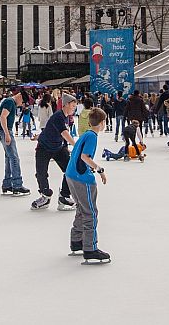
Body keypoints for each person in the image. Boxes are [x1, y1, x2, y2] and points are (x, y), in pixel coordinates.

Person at [64, 107, 110, 264]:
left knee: (81, 209)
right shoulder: (92, 137)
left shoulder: (86, 134)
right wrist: (99, 169)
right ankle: (90, 248)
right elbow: (84, 156)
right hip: (81, 178)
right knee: (90, 211)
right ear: (102, 123)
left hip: (71, 175)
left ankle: (77, 240)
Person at [31, 94, 77, 211]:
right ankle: (45, 196)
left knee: (70, 170)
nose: (74, 108)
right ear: (66, 104)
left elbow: (51, 130)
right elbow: (64, 133)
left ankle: (64, 197)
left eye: (75, 106)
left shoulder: (66, 117)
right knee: (41, 173)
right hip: (44, 148)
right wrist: (77, 146)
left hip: (58, 147)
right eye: (72, 105)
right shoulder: (58, 116)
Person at [0, 88, 29, 196]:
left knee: (9, 157)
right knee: (14, 158)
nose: (21, 104)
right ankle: (17, 185)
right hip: (5, 131)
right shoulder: (10, 102)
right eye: (23, 102)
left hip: (3, 130)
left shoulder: (10, 102)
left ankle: (7, 184)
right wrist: (6, 133)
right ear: (19, 96)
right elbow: (3, 117)